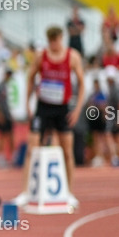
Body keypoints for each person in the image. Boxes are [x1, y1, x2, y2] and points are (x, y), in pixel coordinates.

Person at [17, 26, 85, 207]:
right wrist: (27, 103)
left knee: (67, 151)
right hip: (43, 107)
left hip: (62, 108)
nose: (53, 44)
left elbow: (82, 83)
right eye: (50, 41)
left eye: (56, 40)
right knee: (32, 148)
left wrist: (77, 109)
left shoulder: (73, 56)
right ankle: (25, 192)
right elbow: (30, 77)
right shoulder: (41, 56)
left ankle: (69, 193)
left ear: (61, 38)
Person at [105, 69, 119, 166]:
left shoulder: (115, 89)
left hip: (116, 118)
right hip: (114, 117)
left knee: (118, 136)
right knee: (117, 136)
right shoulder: (112, 89)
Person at [0, 70, 14, 168]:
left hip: (7, 114)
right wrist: (0, 114)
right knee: (2, 136)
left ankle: (11, 157)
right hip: (3, 115)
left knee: (10, 136)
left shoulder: (6, 86)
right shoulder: (0, 86)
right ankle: (1, 158)